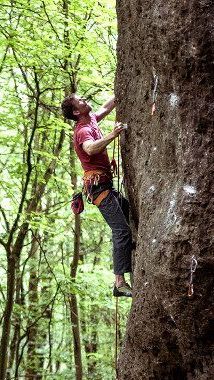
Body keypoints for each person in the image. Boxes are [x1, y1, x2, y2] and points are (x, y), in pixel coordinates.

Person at [61, 93, 134, 297]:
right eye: (81, 101)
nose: (85, 100)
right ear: (76, 111)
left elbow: (106, 107)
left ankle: (127, 248)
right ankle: (119, 283)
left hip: (104, 185)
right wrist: (112, 135)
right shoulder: (83, 130)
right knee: (121, 231)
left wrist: (119, 91)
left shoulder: (90, 119)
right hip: (98, 188)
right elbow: (90, 149)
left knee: (126, 208)